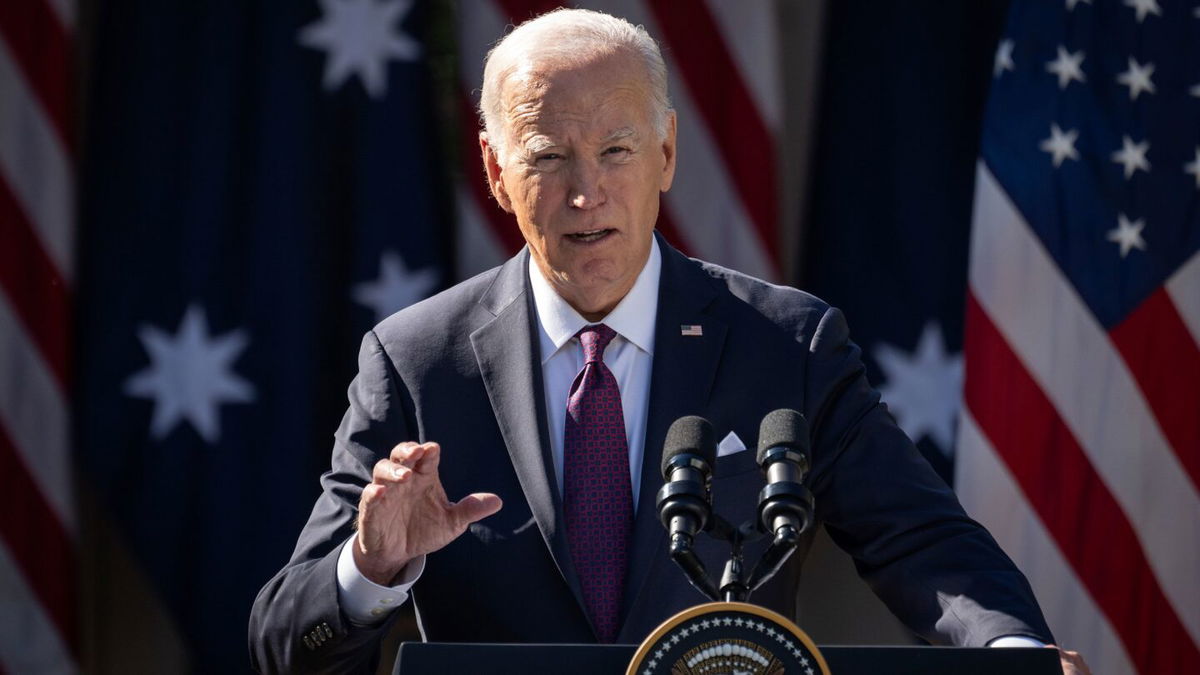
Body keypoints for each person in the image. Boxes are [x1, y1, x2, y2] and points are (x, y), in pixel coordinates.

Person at [249, 9, 1089, 675]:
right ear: (497, 172)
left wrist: (1011, 657)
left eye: (616, 150)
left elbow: (922, 540)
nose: (587, 194)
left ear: (668, 152)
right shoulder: (417, 360)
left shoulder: (785, 343)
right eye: (549, 157)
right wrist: (371, 568)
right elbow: (283, 641)